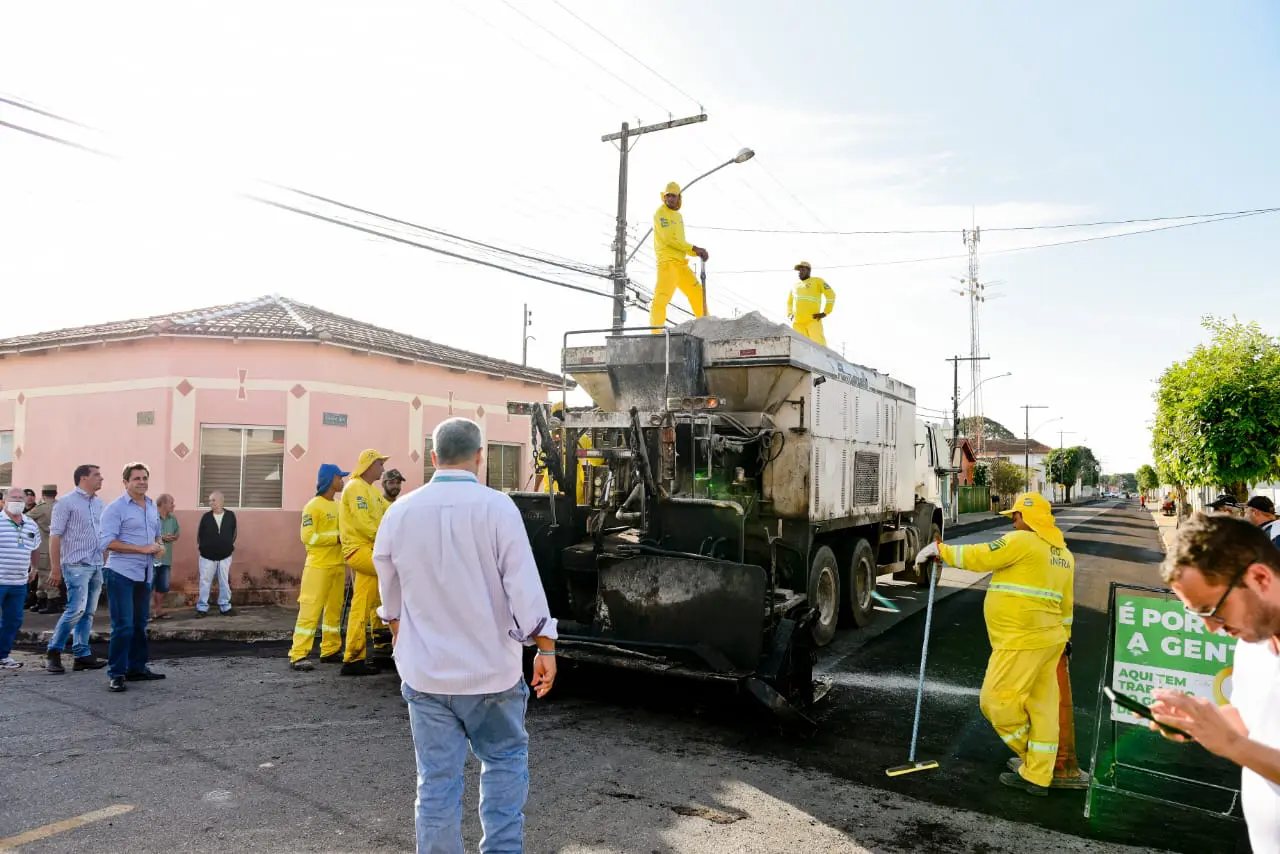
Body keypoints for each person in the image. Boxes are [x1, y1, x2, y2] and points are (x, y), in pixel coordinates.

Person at [373, 417, 557, 852]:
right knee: (504, 763)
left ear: (433, 458)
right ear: (480, 457)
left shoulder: (399, 512)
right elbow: (524, 587)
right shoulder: (498, 508)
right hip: (492, 673)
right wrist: (545, 648)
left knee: (435, 782)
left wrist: (401, 634)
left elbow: (389, 592)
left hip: (426, 676)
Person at [914, 491, 1075, 796]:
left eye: (1015, 516)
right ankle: (1039, 774)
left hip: (1020, 640)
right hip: (1050, 640)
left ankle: (1030, 757)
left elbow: (981, 555)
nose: (1013, 523)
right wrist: (1066, 639)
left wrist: (941, 551)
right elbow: (1066, 605)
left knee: (995, 702)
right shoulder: (1064, 555)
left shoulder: (1021, 542)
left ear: (1026, 517)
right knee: (1042, 708)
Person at [1148, 514, 1280, 854]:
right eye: (1199, 615)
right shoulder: (1252, 644)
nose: (1211, 628)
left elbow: (1240, 742)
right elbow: (1255, 723)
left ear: (1260, 578)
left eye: (1213, 610)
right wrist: (1199, 721)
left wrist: (1231, 744)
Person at [100, 462, 166, 692]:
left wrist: (159, 546)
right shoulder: (115, 508)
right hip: (121, 573)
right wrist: (141, 549)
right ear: (126, 482)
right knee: (123, 626)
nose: (142, 482)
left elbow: (156, 536)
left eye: (145, 477)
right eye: (136, 478)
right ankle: (116, 673)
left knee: (140, 624)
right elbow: (106, 542)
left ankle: (137, 668)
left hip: (145, 573)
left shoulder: (151, 506)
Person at [46, 464, 107, 674]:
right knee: (76, 609)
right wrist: (55, 569)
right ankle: (53, 650)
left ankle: (82, 654)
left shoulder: (99, 504)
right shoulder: (65, 503)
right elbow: (54, 537)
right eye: (97, 475)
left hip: (97, 564)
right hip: (76, 565)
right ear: (83, 478)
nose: (101, 478)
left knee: (89, 612)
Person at [289, 463, 349, 672]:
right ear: (331, 480)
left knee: (334, 610)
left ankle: (330, 649)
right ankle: (298, 654)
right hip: (318, 567)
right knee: (310, 610)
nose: (342, 481)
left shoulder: (339, 505)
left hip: (337, 565)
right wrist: (337, 538)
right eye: (340, 478)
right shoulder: (312, 506)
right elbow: (308, 537)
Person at [340, 448, 393, 675]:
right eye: (380, 464)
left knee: (367, 602)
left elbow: (389, 511)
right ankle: (358, 655)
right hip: (359, 550)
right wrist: (388, 541)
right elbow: (363, 524)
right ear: (370, 465)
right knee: (396, 571)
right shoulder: (355, 488)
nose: (383, 469)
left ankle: (359, 655)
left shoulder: (370, 491)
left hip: (370, 550)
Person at [649, 181, 709, 331]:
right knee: (661, 299)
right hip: (668, 264)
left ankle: (707, 327)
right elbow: (670, 239)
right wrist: (695, 248)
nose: (670, 199)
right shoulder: (660, 214)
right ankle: (656, 334)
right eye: (668, 196)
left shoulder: (678, 216)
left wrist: (695, 252)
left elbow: (680, 243)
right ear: (664, 197)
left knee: (697, 292)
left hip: (681, 264)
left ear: (679, 198)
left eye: (673, 196)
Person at [0, 487, 41, 669]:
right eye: (13, 497)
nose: (17, 500)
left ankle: (3, 655)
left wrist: (35, 568)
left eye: (20, 498)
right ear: (4, 500)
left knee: (13, 620)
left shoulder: (30, 524)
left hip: (18, 582)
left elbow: (35, 548)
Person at [196, 491, 237, 616]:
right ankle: (202, 608)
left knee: (224, 581)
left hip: (225, 555)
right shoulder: (206, 517)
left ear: (221, 501)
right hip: (207, 556)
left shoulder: (230, 515)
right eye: (210, 500)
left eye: (213, 500)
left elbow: (234, 534)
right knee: (205, 581)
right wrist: (205, 547)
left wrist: (226, 545)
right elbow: (199, 536)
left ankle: (225, 606)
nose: (211, 503)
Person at [786, 262, 837, 346]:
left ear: (809, 270)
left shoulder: (817, 281)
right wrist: (790, 313)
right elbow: (789, 302)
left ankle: (823, 359)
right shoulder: (795, 286)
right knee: (801, 347)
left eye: (803, 269)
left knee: (819, 346)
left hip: (812, 320)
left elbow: (831, 294)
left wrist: (826, 312)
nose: (800, 272)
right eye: (799, 270)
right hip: (797, 323)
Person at [27, 484, 57, 613]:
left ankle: (51, 602)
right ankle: (43, 601)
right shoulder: (60, 506)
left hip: (44, 546)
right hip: (57, 546)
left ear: (43, 493)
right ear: (55, 493)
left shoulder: (41, 508)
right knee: (44, 575)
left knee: (45, 574)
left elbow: (24, 519)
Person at [152, 494, 180, 620]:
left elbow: (177, 532)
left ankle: (158, 610)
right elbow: (145, 535)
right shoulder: (151, 517)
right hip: (152, 558)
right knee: (147, 586)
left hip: (166, 558)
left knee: (162, 586)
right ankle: (144, 613)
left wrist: (174, 536)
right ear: (163, 504)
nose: (173, 505)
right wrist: (162, 538)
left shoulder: (172, 519)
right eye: (171, 503)